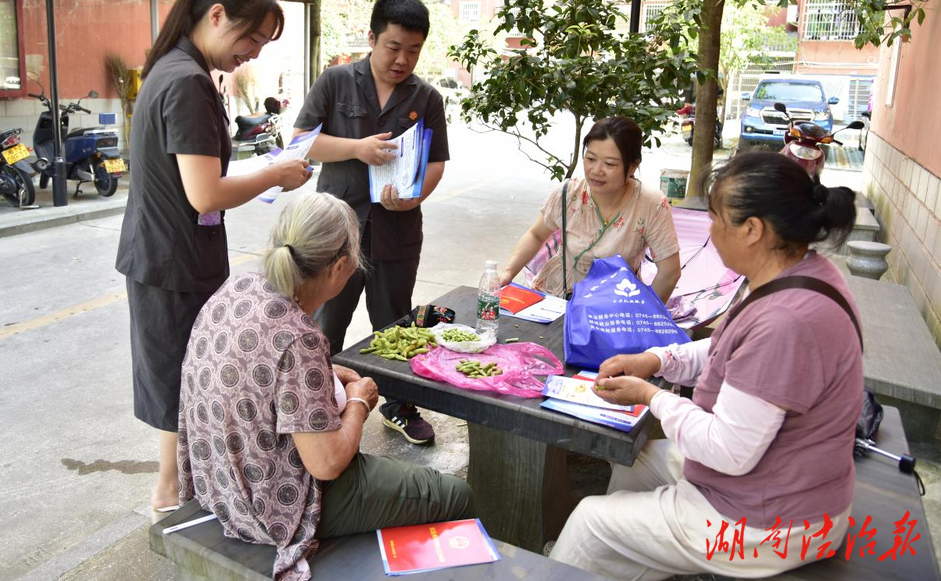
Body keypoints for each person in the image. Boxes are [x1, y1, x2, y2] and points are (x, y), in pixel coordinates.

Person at [549, 152, 863, 579]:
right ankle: (626, 561)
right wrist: (655, 358)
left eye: (717, 218)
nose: (710, 231)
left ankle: (589, 557)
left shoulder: (785, 323)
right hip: (783, 487)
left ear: (753, 230)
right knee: (636, 460)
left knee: (590, 522)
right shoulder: (803, 272)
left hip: (771, 523)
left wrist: (652, 396)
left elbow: (728, 451)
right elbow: (727, 347)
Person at [178, 193, 474, 580]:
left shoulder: (237, 288)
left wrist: (324, 372)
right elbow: (327, 463)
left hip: (216, 480)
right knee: (455, 495)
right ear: (340, 267)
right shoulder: (299, 337)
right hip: (269, 504)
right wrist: (359, 402)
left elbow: (262, 370)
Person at [116, 0, 313, 519]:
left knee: (182, 374)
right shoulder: (186, 81)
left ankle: (178, 490)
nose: (252, 52)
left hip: (169, 254)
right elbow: (205, 194)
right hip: (172, 259)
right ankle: (171, 495)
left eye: (263, 44)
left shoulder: (174, 68)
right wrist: (276, 175)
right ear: (217, 15)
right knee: (186, 378)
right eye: (251, 38)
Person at [291, 0, 449, 444]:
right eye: (393, 47)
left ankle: (399, 406)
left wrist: (415, 196)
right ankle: (318, 407)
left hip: (396, 231)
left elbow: (435, 161)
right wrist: (356, 149)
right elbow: (301, 142)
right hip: (334, 235)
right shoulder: (336, 81)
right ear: (372, 38)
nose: (402, 59)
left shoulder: (427, 97)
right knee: (325, 323)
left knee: (396, 323)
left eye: (413, 50)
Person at [498, 115, 682, 302]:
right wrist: (507, 273)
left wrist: (644, 315)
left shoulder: (651, 204)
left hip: (614, 307)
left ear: (633, 166)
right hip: (556, 298)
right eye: (591, 159)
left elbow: (670, 272)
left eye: (610, 164)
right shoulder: (568, 193)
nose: (596, 170)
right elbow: (536, 235)